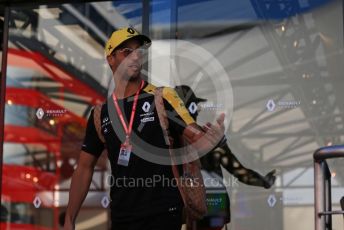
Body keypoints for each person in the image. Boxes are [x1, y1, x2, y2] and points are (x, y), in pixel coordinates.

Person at [64, 27, 225, 230]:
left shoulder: (162, 97)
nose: (135, 56)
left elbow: (195, 136)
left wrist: (213, 138)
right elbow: (84, 168)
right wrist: (70, 218)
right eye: (126, 51)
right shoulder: (101, 113)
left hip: (164, 214)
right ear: (110, 59)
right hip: (122, 218)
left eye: (138, 51)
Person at [174, 85, 276, 227]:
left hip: (189, 207)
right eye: (195, 106)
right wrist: (263, 181)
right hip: (214, 206)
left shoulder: (167, 143)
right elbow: (238, 171)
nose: (198, 109)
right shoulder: (211, 139)